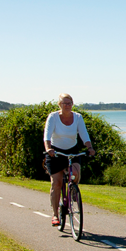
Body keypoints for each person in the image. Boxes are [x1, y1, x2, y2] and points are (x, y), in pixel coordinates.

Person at [44, 94, 95, 227]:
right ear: (59, 104)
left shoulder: (77, 117)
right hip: (55, 152)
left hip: (72, 150)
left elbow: (83, 133)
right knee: (56, 183)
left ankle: (73, 190)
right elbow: (47, 135)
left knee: (76, 173)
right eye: (64, 103)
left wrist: (89, 147)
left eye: (69, 103)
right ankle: (55, 215)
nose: (67, 105)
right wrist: (48, 148)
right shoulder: (53, 117)